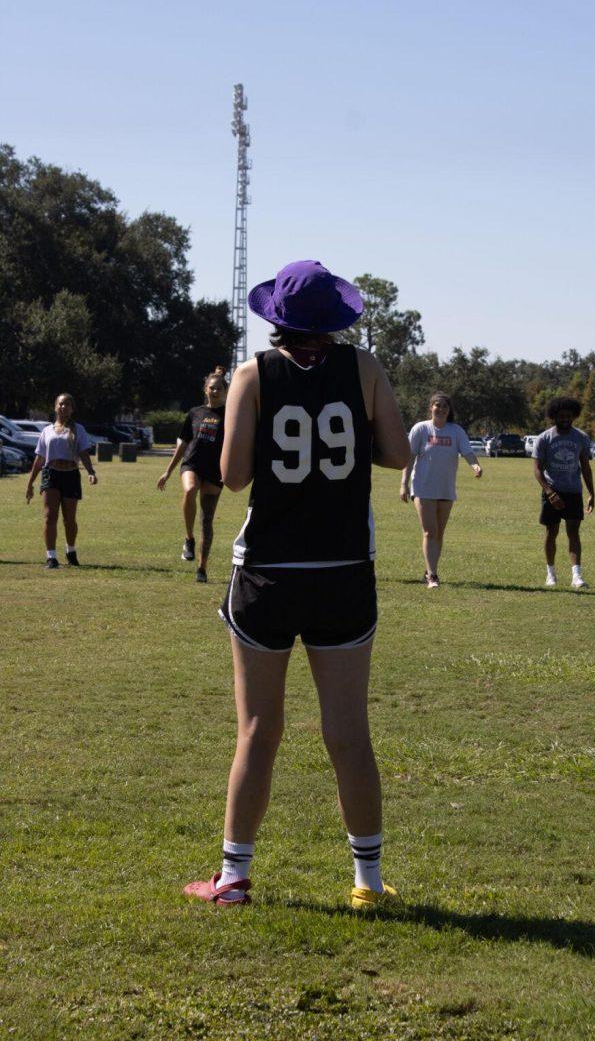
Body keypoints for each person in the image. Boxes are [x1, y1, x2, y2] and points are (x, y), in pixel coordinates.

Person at [183, 260, 410, 908]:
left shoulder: (253, 373)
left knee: (258, 728)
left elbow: (232, 476)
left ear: (275, 317)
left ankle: (232, 879)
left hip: (268, 572)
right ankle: (367, 882)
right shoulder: (364, 369)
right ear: (335, 317)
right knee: (349, 730)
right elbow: (398, 454)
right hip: (343, 570)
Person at [399, 393, 482, 588]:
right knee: (429, 531)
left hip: (445, 488)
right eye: (438, 405)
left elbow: (468, 452)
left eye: (445, 406)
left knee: (439, 533)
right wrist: (403, 483)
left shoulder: (456, 431)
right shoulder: (421, 429)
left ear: (449, 409)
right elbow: (409, 457)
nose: (441, 409)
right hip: (423, 487)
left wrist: (475, 466)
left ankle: (429, 570)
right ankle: (433, 576)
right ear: (431, 408)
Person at [157, 368, 227, 583]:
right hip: (192, 464)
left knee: (207, 521)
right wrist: (168, 471)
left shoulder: (230, 415)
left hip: (215, 471)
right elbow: (183, 444)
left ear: (225, 391)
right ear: (205, 389)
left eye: (219, 388)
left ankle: (202, 568)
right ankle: (189, 539)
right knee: (189, 490)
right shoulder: (194, 413)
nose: (214, 391)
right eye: (211, 387)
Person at [25, 392, 98, 568]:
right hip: (51, 474)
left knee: (69, 519)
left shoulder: (78, 429)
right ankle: (51, 557)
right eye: (60, 404)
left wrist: (91, 471)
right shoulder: (46, 431)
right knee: (50, 516)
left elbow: (83, 453)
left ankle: (71, 551)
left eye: (67, 404)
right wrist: (30, 483)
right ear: (55, 407)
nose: (63, 407)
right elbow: (39, 459)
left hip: (71, 475)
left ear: (72, 409)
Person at [532, 397, 594, 588]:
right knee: (551, 532)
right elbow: (537, 469)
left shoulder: (581, 437)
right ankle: (550, 573)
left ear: (574, 416)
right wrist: (550, 492)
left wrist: (592, 493)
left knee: (573, 532)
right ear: (554, 417)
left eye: (569, 416)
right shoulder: (544, 438)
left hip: (573, 491)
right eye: (561, 416)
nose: (565, 419)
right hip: (552, 490)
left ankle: (577, 575)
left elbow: (585, 467)